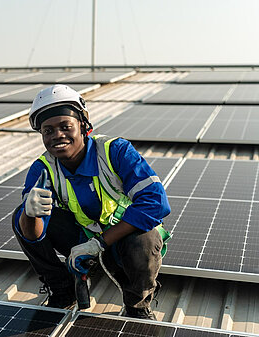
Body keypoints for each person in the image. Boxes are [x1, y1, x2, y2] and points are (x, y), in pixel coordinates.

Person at [11, 84, 171, 319]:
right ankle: (63, 291)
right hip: (82, 237)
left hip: (124, 237)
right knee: (19, 217)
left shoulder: (114, 151)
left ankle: (137, 305)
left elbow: (155, 203)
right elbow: (33, 235)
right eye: (48, 130)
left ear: (84, 126)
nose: (57, 135)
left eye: (66, 127)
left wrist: (99, 244)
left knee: (146, 238)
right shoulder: (43, 169)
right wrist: (30, 214)